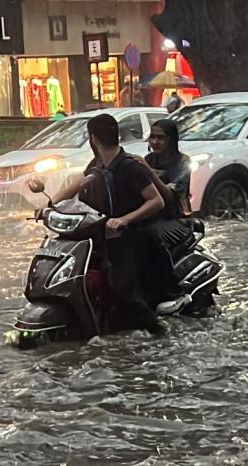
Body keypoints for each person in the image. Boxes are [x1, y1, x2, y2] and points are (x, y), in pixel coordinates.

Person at [50, 114, 165, 332]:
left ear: (93, 138)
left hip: (129, 234)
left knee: (121, 289)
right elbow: (79, 183)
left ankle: (154, 327)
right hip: (100, 232)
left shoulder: (131, 167)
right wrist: (51, 204)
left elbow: (156, 201)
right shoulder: (97, 164)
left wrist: (124, 220)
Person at [140, 120, 197, 314]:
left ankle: (172, 292)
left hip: (177, 220)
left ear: (171, 140)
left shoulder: (183, 163)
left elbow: (170, 196)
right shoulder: (148, 159)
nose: (155, 141)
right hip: (151, 217)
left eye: (160, 138)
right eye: (152, 137)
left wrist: (147, 171)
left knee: (150, 236)